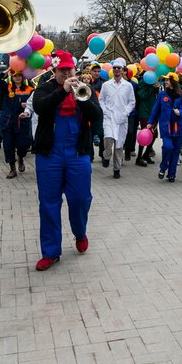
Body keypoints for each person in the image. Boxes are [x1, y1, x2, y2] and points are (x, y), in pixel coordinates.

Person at [32, 50, 103, 271]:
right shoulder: (44, 88)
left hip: (77, 153)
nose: (66, 73)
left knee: (81, 199)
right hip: (49, 155)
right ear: (55, 71)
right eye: (61, 70)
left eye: (69, 69)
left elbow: (96, 116)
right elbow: (40, 108)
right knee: (49, 203)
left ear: (75, 69)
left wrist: (80, 96)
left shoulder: (85, 89)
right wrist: (62, 92)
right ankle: (51, 252)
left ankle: (80, 232)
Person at [0, 69, 34, 179]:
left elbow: (34, 101)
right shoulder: (7, 87)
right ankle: (12, 168)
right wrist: (7, 71)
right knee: (8, 146)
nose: (17, 77)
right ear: (12, 76)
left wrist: (28, 105)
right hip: (8, 122)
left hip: (22, 122)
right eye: (15, 75)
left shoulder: (29, 89)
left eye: (20, 75)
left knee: (23, 145)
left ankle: (21, 157)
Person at [99, 58, 136, 179]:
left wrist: (125, 112)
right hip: (109, 117)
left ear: (123, 70)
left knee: (119, 146)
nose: (116, 70)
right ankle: (106, 155)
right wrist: (105, 111)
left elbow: (132, 102)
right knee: (108, 139)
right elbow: (101, 100)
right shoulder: (106, 85)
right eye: (114, 68)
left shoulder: (128, 86)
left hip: (121, 119)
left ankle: (116, 169)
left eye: (119, 68)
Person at [147, 73, 182, 182]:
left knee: (175, 151)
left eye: (168, 80)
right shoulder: (162, 95)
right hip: (166, 127)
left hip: (178, 128)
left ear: (173, 81)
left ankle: (172, 174)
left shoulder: (181, 95)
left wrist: (180, 112)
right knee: (167, 147)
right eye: (165, 80)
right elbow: (156, 109)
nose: (166, 82)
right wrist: (151, 122)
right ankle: (163, 166)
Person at [135, 73, 159, 166]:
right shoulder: (142, 83)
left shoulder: (154, 83)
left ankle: (146, 154)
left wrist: (156, 88)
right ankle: (139, 157)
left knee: (154, 135)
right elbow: (143, 96)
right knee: (145, 135)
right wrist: (152, 88)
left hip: (153, 112)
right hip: (144, 112)